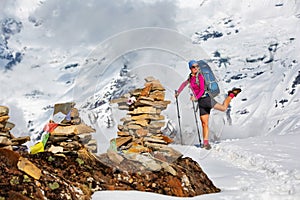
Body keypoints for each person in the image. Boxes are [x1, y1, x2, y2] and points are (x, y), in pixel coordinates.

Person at [175, 60, 241, 150]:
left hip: (207, 99)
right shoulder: (190, 78)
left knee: (223, 108)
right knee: (204, 123)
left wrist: (195, 98)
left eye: (197, 66)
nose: (196, 68)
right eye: (194, 67)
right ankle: (206, 143)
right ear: (190, 68)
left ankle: (231, 95)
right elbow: (184, 84)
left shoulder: (200, 77)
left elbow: (202, 90)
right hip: (201, 103)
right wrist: (178, 92)